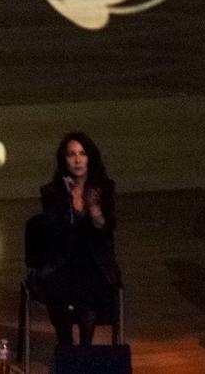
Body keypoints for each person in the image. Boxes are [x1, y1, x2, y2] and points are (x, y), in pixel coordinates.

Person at [35, 132, 120, 346]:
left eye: (82, 153)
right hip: (61, 259)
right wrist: (67, 203)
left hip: (94, 259)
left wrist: (93, 208)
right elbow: (53, 232)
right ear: (64, 160)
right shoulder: (52, 192)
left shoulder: (104, 188)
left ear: (90, 157)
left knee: (88, 283)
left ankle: (84, 350)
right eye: (71, 154)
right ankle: (66, 347)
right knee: (57, 286)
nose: (77, 159)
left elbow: (106, 230)